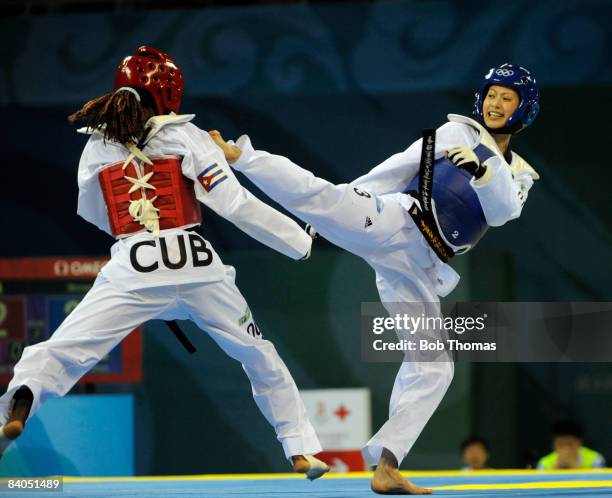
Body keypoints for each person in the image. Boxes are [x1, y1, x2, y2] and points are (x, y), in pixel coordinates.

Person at [0, 46, 329, 480]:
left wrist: (136, 240)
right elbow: (236, 203)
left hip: (133, 266)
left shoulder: (97, 145)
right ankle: (300, 449)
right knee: (258, 355)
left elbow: (95, 212)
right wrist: (298, 241)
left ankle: (21, 398)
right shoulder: (185, 137)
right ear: (170, 94)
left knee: (67, 349)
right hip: (196, 266)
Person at [211, 63, 540, 494]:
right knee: (324, 195)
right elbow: (396, 168)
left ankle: (386, 465)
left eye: (507, 98)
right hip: (399, 223)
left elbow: (503, 212)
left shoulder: (520, 173)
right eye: (492, 95)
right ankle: (243, 156)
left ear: (523, 109)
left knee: (434, 366)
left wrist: (485, 172)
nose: (496, 104)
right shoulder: (456, 133)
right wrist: (342, 206)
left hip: (422, 266)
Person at [537, 420, 605, 470]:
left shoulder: (595, 459)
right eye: (560, 444)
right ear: (553, 444)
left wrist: (576, 467)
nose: (565, 449)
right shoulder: (544, 463)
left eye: (569, 444)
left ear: (579, 442)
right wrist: (555, 469)